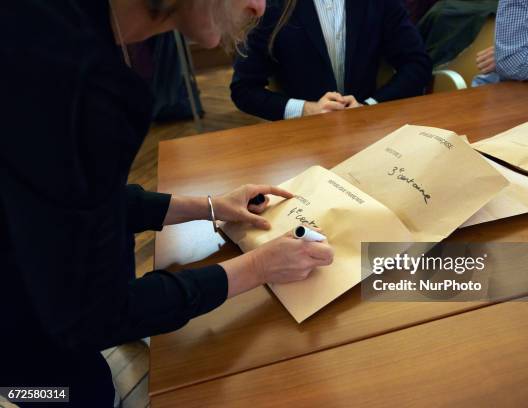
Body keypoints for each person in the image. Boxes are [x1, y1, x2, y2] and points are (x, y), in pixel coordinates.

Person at [0, 1, 334, 406]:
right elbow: (91, 314)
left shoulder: (65, 33)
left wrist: (212, 206)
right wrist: (258, 266)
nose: (259, 6)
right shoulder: (63, 72)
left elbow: (81, 205)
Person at [230, 0, 432, 121]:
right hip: (301, 139)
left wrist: (369, 107)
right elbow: (244, 89)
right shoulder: (271, 5)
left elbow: (417, 64)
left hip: (370, 131)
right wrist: (304, 110)